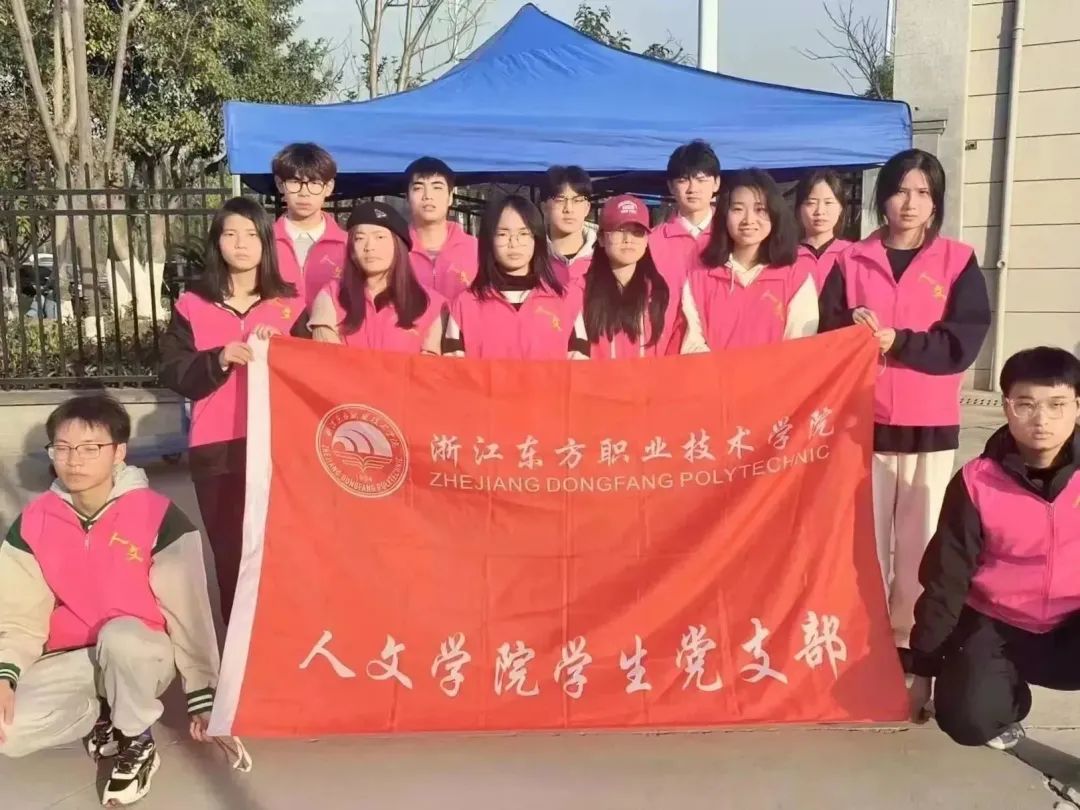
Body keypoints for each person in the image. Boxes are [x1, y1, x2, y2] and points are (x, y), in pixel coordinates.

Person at [0, 395, 219, 806]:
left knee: (121, 637)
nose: (74, 461)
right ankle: (102, 715)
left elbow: (189, 613)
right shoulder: (34, 521)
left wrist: (203, 696)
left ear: (119, 452)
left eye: (90, 448)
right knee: (8, 733)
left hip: (141, 652)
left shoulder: (159, 516)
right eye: (62, 448)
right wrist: (5, 676)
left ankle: (135, 738)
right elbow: (19, 617)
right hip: (74, 656)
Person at [828, 148, 992, 655]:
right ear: (882, 198)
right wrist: (851, 329)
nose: (910, 203)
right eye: (900, 191)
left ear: (936, 202)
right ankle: (864, 638)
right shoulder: (849, 260)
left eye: (923, 193)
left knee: (922, 542)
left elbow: (961, 343)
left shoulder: (957, 261)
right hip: (862, 423)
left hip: (930, 425)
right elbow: (826, 335)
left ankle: (909, 641)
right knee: (863, 540)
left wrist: (898, 342)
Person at [907, 347, 1080, 750]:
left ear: (1077, 407)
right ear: (1006, 407)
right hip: (997, 625)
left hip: (1072, 627)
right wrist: (923, 672)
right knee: (967, 720)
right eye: (1026, 404)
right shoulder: (976, 482)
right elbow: (945, 580)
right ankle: (1005, 693)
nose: (1041, 419)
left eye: (1056, 405)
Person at [159, 197, 304, 623]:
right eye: (230, 234)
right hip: (216, 447)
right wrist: (218, 359)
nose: (241, 243)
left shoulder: (290, 305)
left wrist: (285, 351)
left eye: (251, 234)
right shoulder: (192, 304)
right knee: (230, 555)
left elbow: (313, 375)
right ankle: (238, 649)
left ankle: (285, 641)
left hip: (280, 446)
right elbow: (173, 371)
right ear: (217, 242)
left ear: (266, 243)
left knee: (283, 551)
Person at [678, 168, 817, 352]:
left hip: (778, 371)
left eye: (760, 209)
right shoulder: (699, 276)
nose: (748, 220)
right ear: (724, 214)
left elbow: (799, 347)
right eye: (738, 209)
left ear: (775, 214)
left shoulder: (796, 276)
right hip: (713, 371)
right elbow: (692, 343)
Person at [442, 194, 588, 359]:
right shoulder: (465, 305)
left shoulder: (566, 302)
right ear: (489, 240)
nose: (514, 243)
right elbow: (453, 371)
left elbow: (579, 369)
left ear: (537, 239)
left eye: (523, 234)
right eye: (503, 234)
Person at [308, 201, 444, 354]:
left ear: (399, 245)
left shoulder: (430, 304)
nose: (369, 247)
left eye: (380, 237)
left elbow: (430, 365)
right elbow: (328, 359)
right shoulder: (331, 296)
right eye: (360, 238)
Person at [581, 194, 675, 359]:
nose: (628, 240)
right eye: (620, 231)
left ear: (646, 240)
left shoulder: (663, 292)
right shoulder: (579, 290)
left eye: (637, 232)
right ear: (601, 238)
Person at [271, 142, 348, 308]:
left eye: (314, 183)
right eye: (295, 182)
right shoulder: (264, 242)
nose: (304, 193)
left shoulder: (347, 245)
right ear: (279, 184)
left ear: (328, 187)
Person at [649, 140, 722, 294]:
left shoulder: (731, 235)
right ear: (671, 186)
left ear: (716, 183)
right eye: (683, 180)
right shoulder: (652, 241)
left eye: (701, 180)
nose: (692, 189)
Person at [405, 156, 479, 303]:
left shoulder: (477, 250)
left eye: (437, 187)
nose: (428, 196)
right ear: (407, 198)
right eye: (418, 188)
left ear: (450, 197)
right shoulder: (392, 251)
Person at [794, 169, 853, 291]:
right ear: (799, 209)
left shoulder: (853, 255)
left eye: (828, 203)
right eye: (811, 203)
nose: (820, 211)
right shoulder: (786, 256)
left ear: (841, 208)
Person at [541, 165, 597, 289]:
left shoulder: (604, 256)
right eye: (560, 200)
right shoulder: (531, 256)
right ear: (544, 208)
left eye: (577, 200)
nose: (569, 209)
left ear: (587, 208)